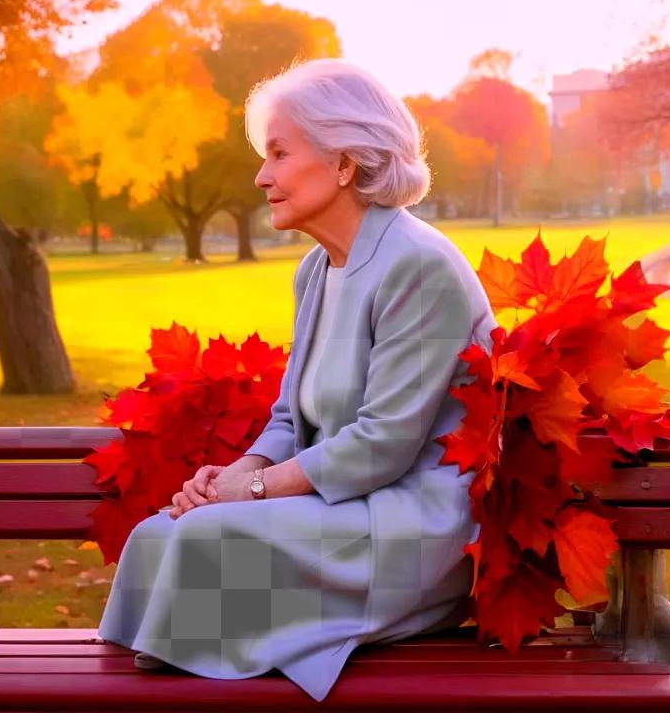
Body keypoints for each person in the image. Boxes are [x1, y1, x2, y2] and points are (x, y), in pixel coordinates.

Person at [97, 58, 498, 701]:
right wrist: (228, 478)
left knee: (205, 545)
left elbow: (383, 445)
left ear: (345, 162)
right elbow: (290, 418)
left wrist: (250, 492)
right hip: (344, 509)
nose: (262, 176)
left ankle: (196, 683)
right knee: (157, 538)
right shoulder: (317, 270)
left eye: (279, 154)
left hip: (411, 531)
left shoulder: (418, 267)